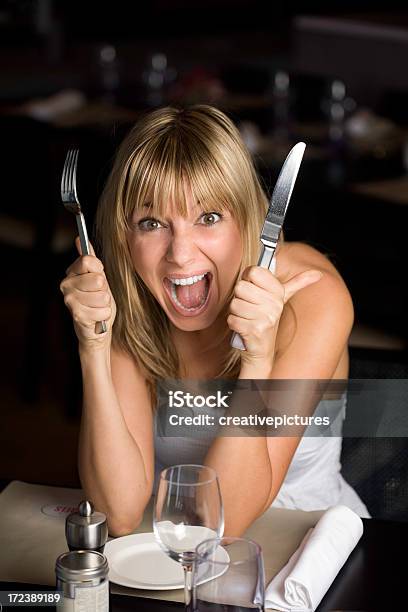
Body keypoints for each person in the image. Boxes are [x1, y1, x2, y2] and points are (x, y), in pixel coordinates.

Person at [60, 105, 369, 537]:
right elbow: (121, 512)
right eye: (150, 223)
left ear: (248, 219)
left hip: (311, 556)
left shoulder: (311, 296)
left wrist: (256, 361)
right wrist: (93, 347)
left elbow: (224, 523)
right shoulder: (125, 298)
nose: (180, 253)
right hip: (173, 553)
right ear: (123, 238)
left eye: (208, 217)